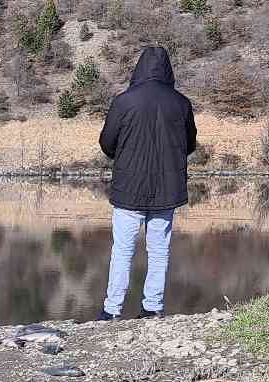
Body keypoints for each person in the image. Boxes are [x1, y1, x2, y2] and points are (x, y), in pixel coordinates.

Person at [95, 46, 198, 320]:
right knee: (159, 250)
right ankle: (152, 307)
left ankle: (112, 309)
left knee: (123, 250)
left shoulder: (124, 101)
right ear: (168, 69)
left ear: (138, 68)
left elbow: (107, 143)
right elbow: (189, 144)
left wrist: (126, 155)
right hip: (167, 189)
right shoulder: (181, 103)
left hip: (129, 188)